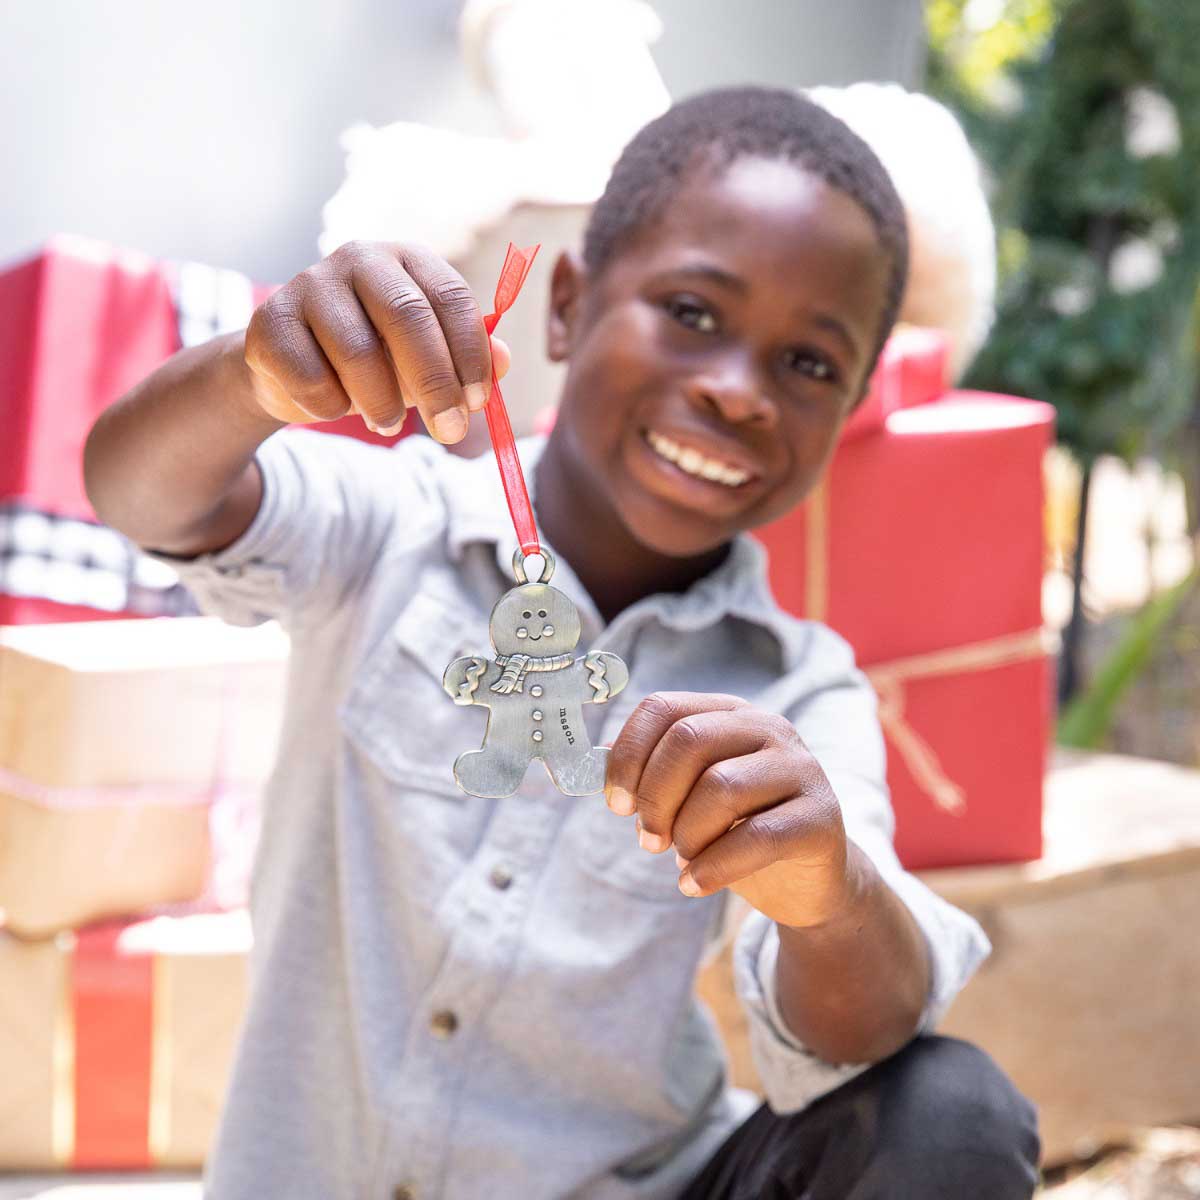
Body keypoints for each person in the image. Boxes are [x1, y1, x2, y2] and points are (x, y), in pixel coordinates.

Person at [85, 87, 1039, 1200]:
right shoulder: (390, 532)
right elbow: (143, 495)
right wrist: (254, 376)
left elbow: (864, 1025)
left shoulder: (799, 689)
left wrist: (826, 894)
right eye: (690, 311)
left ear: (852, 410)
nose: (738, 392)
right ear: (566, 306)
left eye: (810, 366)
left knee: (951, 1111)